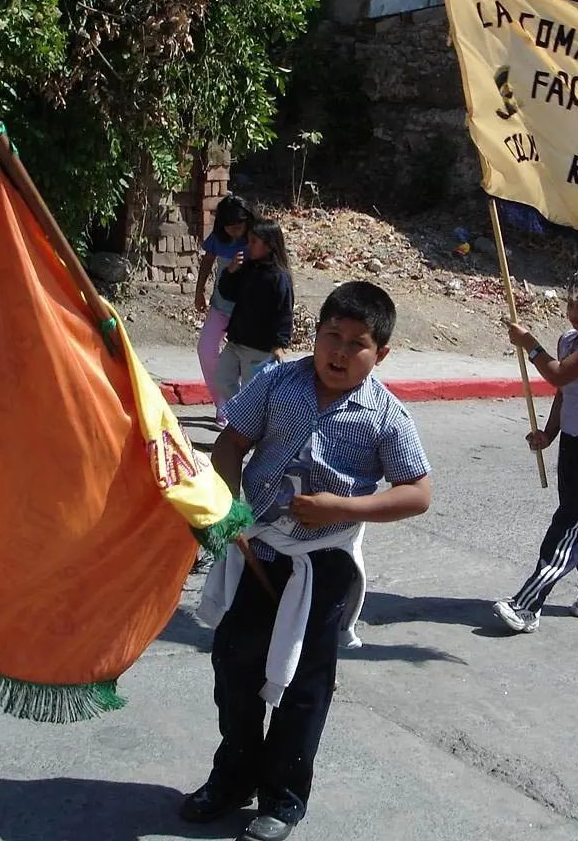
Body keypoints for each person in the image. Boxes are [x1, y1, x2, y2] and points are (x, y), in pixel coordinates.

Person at [184, 281, 432, 841]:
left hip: (324, 565)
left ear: (381, 353)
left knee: (305, 685)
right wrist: (229, 509)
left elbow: (417, 492)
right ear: (314, 336)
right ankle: (233, 777)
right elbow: (229, 445)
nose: (339, 352)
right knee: (235, 665)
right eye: (331, 337)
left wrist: (341, 508)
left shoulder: (384, 415)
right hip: (259, 548)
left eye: (357, 343)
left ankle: (283, 798)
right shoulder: (277, 382)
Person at [492, 267, 578, 634]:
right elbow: (564, 390)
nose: (574, 313)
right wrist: (549, 434)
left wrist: (529, 343)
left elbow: (556, 374)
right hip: (574, 441)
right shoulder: (570, 339)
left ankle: (526, 605)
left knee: (570, 524)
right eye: (572, 305)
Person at [214, 218, 295, 406]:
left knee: (251, 394)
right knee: (222, 380)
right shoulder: (248, 268)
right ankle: (241, 420)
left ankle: (248, 428)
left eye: (253, 242)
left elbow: (284, 313)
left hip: (259, 348)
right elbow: (228, 293)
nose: (248, 246)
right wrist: (231, 272)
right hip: (236, 341)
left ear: (268, 245)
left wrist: (280, 344)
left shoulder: (279, 277)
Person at [195, 194, 256, 425]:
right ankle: (223, 403)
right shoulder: (219, 238)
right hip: (220, 305)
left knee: (242, 361)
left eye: (238, 226)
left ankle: (241, 410)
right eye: (229, 227)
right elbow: (208, 260)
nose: (234, 232)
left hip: (247, 310)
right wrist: (199, 290)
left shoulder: (256, 237)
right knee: (206, 349)